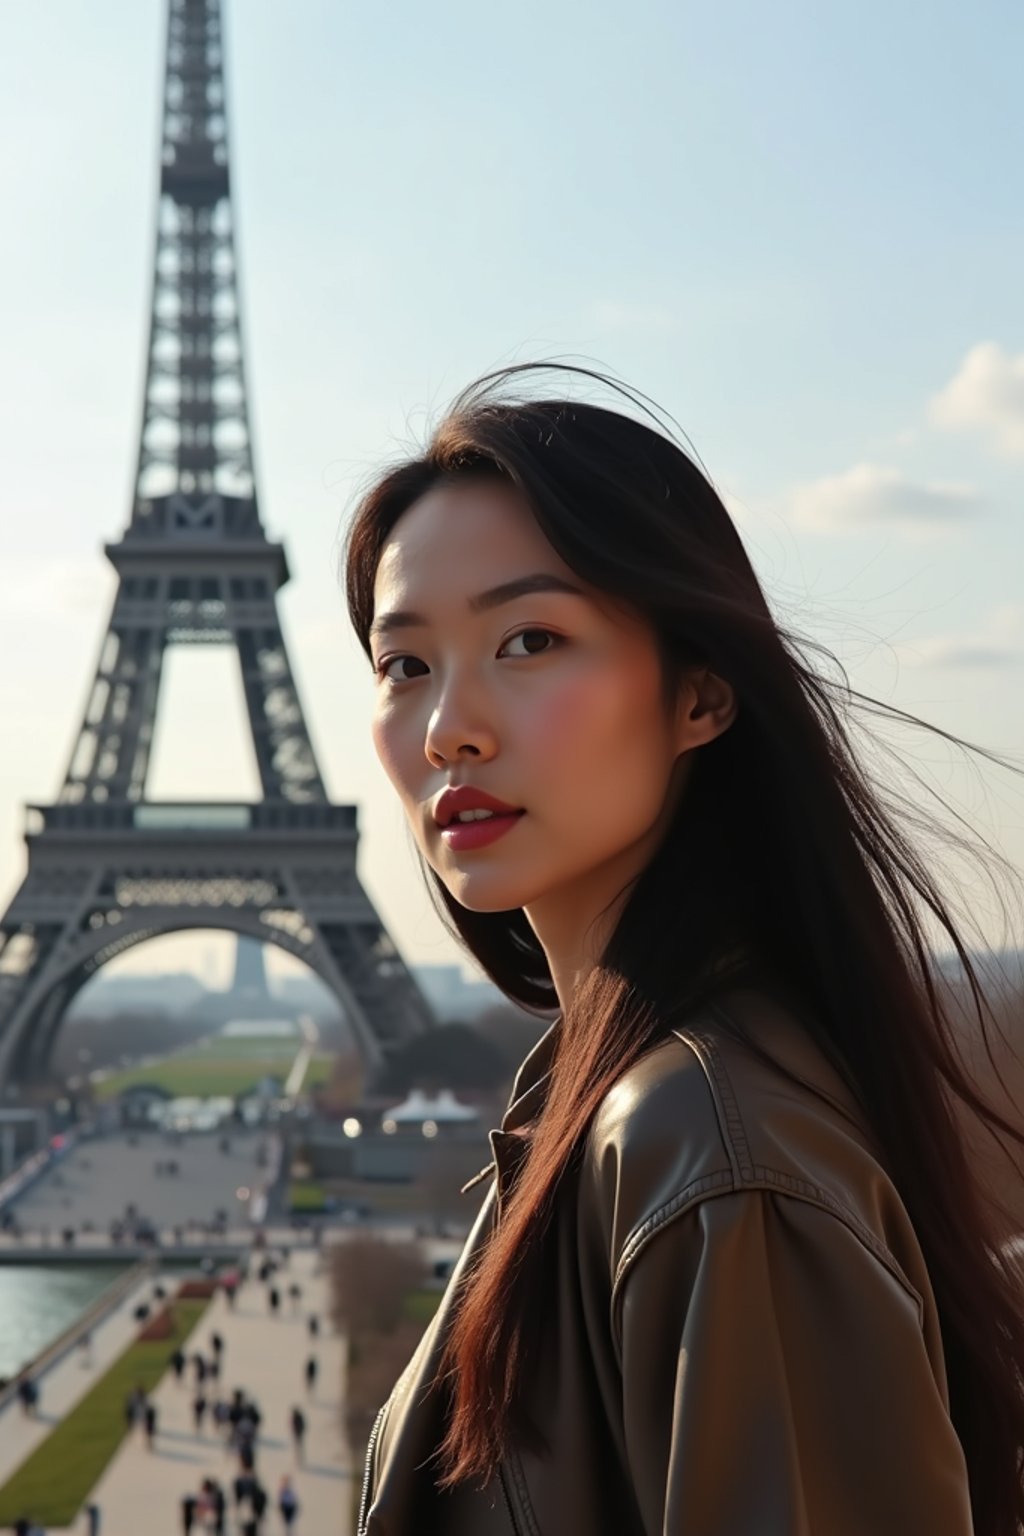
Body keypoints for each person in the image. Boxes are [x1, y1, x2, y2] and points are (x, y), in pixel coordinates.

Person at [344, 366, 1024, 1535]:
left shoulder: (702, 1142)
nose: (449, 721)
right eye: (404, 663)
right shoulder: (643, 1105)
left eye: (530, 638)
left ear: (700, 696)